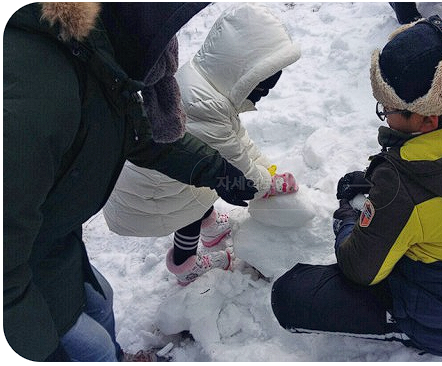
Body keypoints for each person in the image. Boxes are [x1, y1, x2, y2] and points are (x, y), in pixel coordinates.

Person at [269, 16, 442, 357]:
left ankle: (414, 329)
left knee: (290, 295)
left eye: (387, 108)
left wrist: (347, 217)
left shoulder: (403, 187)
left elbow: (359, 268)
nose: (384, 115)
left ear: (427, 120)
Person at [4, 3, 264, 361]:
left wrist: (216, 170)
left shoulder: (99, 64)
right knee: (89, 348)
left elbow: (141, 138)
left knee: (102, 301)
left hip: (51, 244)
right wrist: (36, 353)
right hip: (19, 272)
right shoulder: (36, 102)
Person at [102, 4, 301, 286]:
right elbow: (237, 165)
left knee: (201, 183)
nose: (260, 98)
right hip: (149, 198)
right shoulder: (204, 106)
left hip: (154, 177)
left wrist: (266, 166)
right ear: (242, 76)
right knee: (191, 203)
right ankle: (186, 265)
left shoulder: (204, 82)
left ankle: (211, 227)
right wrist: (268, 183)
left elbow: (236, 138)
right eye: (259, 89)